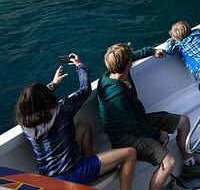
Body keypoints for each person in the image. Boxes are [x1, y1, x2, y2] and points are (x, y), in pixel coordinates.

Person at [16, 53, 137, 190]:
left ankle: (90, 167)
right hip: (71, 175)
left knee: (83, 128)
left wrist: (53, 84)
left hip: (48, 179)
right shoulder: (61, 110)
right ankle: (89, 172)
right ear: (46, 98)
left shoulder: (25, 124)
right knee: (130, 153)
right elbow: (85, 89)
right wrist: (80, 65)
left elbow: (34, 102)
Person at [97, 43, 200, 190]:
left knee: (183, 122)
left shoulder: (116, 71)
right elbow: (130, 126)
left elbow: (132, 55)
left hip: (138, 120)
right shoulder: (115, 96)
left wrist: (152, 51)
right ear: (128, 64)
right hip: (125, 136)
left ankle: (188, 164)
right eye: (130, 59)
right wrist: (158, 133)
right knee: (169, 162)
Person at [163, 21, 200, 98]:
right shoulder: (197, 34)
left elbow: (169, 51)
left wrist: (171, 40)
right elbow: (199, 30)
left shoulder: (180, 45)